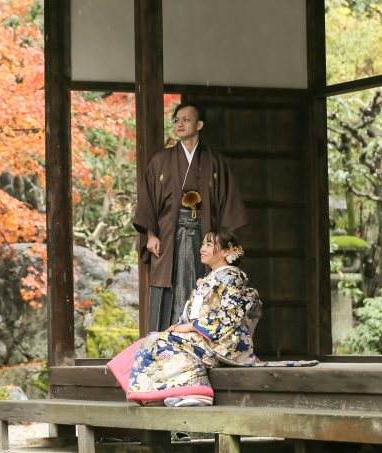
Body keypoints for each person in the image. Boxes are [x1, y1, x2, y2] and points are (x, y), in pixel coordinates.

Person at [106, 227, 318, 409]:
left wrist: (191, 327)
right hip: (201, 337)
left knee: (156, 339)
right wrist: (180, 326)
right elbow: (190, 315)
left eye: (209, 244)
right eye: (203, 244)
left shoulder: (232, 277)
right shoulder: (205, 280)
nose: (202, 248)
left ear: (226, 251)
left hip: (217, 342)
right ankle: (162, 393)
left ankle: (196, 389)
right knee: (148, 342)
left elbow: (229, 316)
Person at [133, 103, 248, 333]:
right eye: (176, 120)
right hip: (168, 234)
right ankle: (163, 339)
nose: (180, 124)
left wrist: (220, 241)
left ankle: (200, 337)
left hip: (204, 233)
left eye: (185, 120)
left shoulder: (215, 161)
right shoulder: (161, 160)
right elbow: (147, 199)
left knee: (206, 280)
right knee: (168, 282)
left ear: (199, 124)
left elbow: (228, 200)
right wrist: (151, 234)